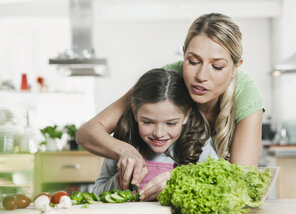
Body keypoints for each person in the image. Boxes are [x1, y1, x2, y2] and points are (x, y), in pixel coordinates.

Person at [77, 13, 263, 200]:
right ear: (183, 54)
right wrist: (126, 151)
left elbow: (242, 184)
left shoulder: (245, 94)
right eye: (193, 61)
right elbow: (87, 132)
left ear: (235, 67)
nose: (201, 76)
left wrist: (181, 181)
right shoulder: (167, 81)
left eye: (217, 66)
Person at [92, 68, 218, 200]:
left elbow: (220, 186)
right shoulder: (122, 142)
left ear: (186, 116)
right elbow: (96, 194)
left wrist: (179, 182)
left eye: (171, 123)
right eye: (148, 122)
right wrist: (119, 180)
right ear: (135, 113)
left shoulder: (198, 142)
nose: (159, 134)